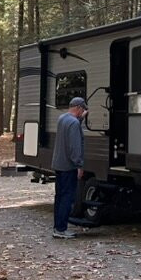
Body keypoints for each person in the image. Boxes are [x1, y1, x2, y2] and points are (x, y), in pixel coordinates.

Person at [52, 96, 87, 238]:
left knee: (59, 196)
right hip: (68, 166)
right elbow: (74, 146)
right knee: (67, 197)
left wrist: (80, 120)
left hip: (58, 164)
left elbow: (70, 128)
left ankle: (57, 227)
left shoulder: (62, 119)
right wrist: (79, 164)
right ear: (78, 108)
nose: (83, 112)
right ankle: (62, 229)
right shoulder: (74, 123)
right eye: (83, 109)